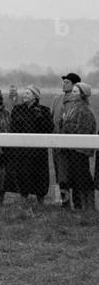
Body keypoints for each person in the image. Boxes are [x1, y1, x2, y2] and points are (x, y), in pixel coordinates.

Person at [7, 85, 52, 205]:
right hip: (22, 150)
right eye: (24, 93)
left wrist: (40, 118)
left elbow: (49, 129)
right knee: (23, 174)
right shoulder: (18, 109)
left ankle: (40, 201)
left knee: (40, 175)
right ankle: (24, 199)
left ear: (35, 96)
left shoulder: (44, 110)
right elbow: (12, 127)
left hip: (38, 151)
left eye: (28, 93)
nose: (24, 95)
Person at [58, 81, 96, 210]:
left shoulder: (84, 110)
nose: (72, 94)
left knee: (83, 178)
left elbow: (83, 131)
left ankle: (89, 206)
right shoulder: (72, 108)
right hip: (71, 149)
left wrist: (66, 124)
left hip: (80, 150)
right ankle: (76, 205)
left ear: (82, 95)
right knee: (71, 178)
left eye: (75, 92)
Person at [52, 72, 81, 208]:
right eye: (63, 82)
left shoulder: (78, 101)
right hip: (57, 142)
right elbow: (52, 118)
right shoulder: (57, 99)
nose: (64, 84)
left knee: (74, 175)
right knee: (60, 174)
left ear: (75, 85)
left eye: (67, 82)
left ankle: (78, 204)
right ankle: (62, 203)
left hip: (72, 144)